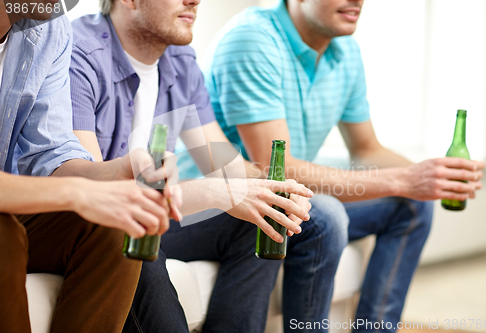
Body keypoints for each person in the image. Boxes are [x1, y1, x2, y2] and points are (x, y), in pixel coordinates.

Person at [179, 0, 486, 332]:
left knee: (411, 205)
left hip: (287, 198)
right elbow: (274, 168)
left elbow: (367, 149)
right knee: (324, 215)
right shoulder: (252, 40)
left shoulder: (346, 51)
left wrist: (429, 177)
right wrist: (404, 179)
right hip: (214, 204)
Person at [68, 0, 344, 332]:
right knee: (135, 251)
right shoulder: (78, 54)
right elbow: (92, 195)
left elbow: (226, 167)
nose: (195, 1)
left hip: (153, 217)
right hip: (98, 228)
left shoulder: (180, 60)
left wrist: (277, 192)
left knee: (263, 214)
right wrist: (215, 192)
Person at [0, 2, 177, 332]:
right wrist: (76, 192)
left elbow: (50, 154)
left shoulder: (50, 28)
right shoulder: (89, 50)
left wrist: (118, 171)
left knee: (114, 224)